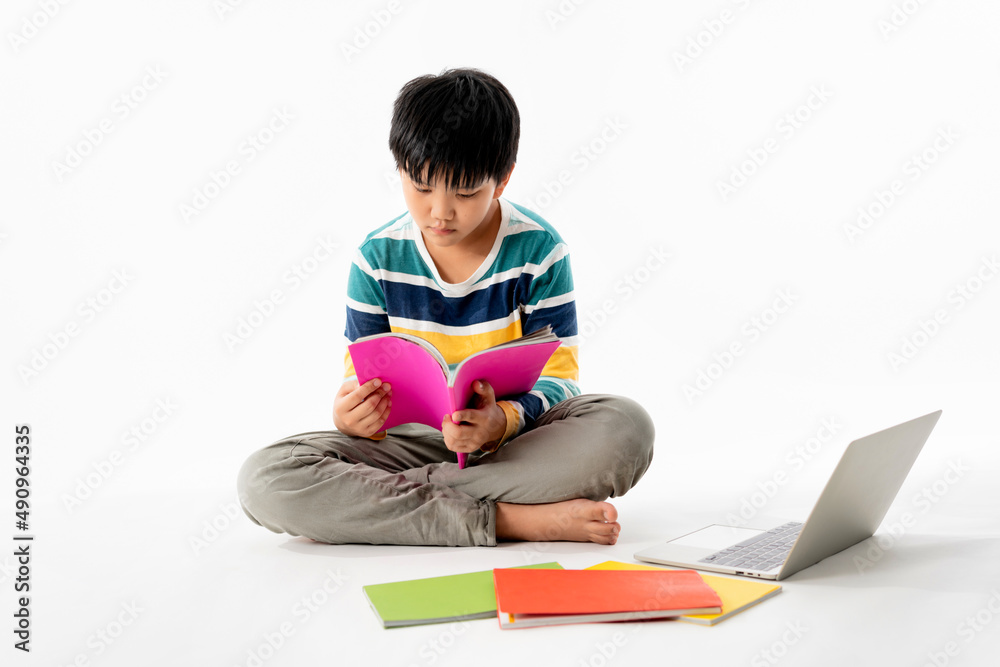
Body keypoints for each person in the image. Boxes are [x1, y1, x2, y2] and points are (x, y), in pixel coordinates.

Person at [237, 68, 654, 547]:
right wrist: (352, 414)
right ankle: (509, 519)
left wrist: (501, 421)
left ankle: (398, 507)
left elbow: (559, 382)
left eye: (465, 192)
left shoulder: (540, 251)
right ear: (399, 170)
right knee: (266, 479)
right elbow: (361, 377)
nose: (440, 211)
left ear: (502, 180)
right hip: (411, 445)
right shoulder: (377, 259)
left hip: (513, 445)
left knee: (626, 426)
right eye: (420, 186)